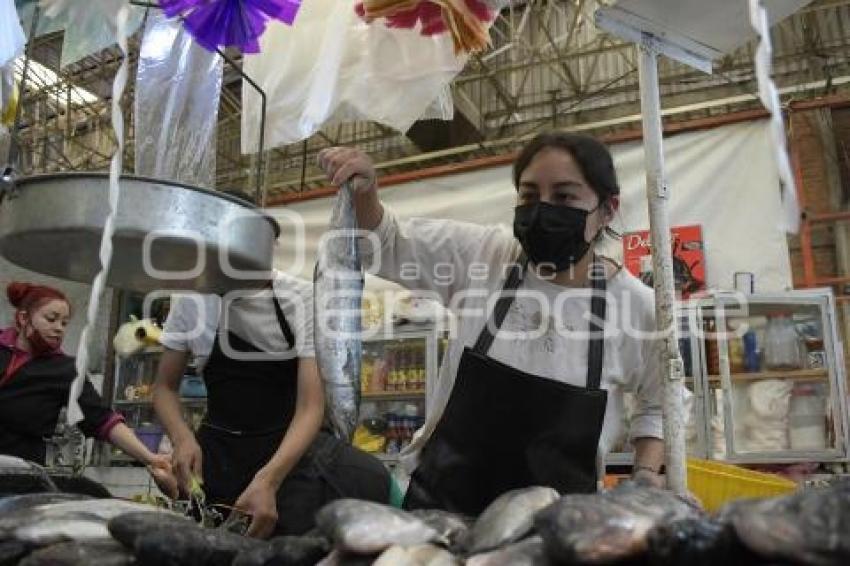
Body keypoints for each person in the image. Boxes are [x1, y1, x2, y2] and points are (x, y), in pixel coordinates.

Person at [317, 132, 667, 515]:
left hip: (556, 525)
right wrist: (365, 193)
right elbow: (386, 241)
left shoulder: (639, 307)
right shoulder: (483, 257)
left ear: (607, 208)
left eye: (565, 197)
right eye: (530, 196)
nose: (543, 209)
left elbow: (661, 403)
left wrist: (647, 473)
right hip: (440, 507)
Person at [153, 192, 390, 539]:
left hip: (287, 451)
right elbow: (164, 387)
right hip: (219, 451)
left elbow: (311, 407)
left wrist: (269, 479)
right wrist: (182, 437)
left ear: (271, 243)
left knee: (366, 481)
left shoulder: (302, 299)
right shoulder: (192, 299)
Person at [0, 281, 178, 497]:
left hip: (15, 478)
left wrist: (150, 458)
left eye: (64, 323)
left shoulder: (64, 371)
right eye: (51, 319)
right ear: (23, 318)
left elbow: (103, 420)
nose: (59, 328)